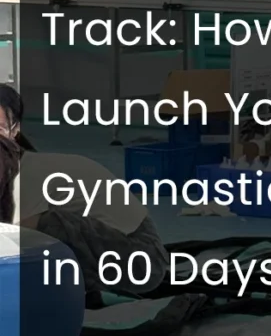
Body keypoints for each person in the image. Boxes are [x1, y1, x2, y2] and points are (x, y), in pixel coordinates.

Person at [0, 84, 170, 296]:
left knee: (43, 226)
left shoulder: (26, 176)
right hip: (125, 255)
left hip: (143, 261)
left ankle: (82, 292)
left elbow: (15, 244)